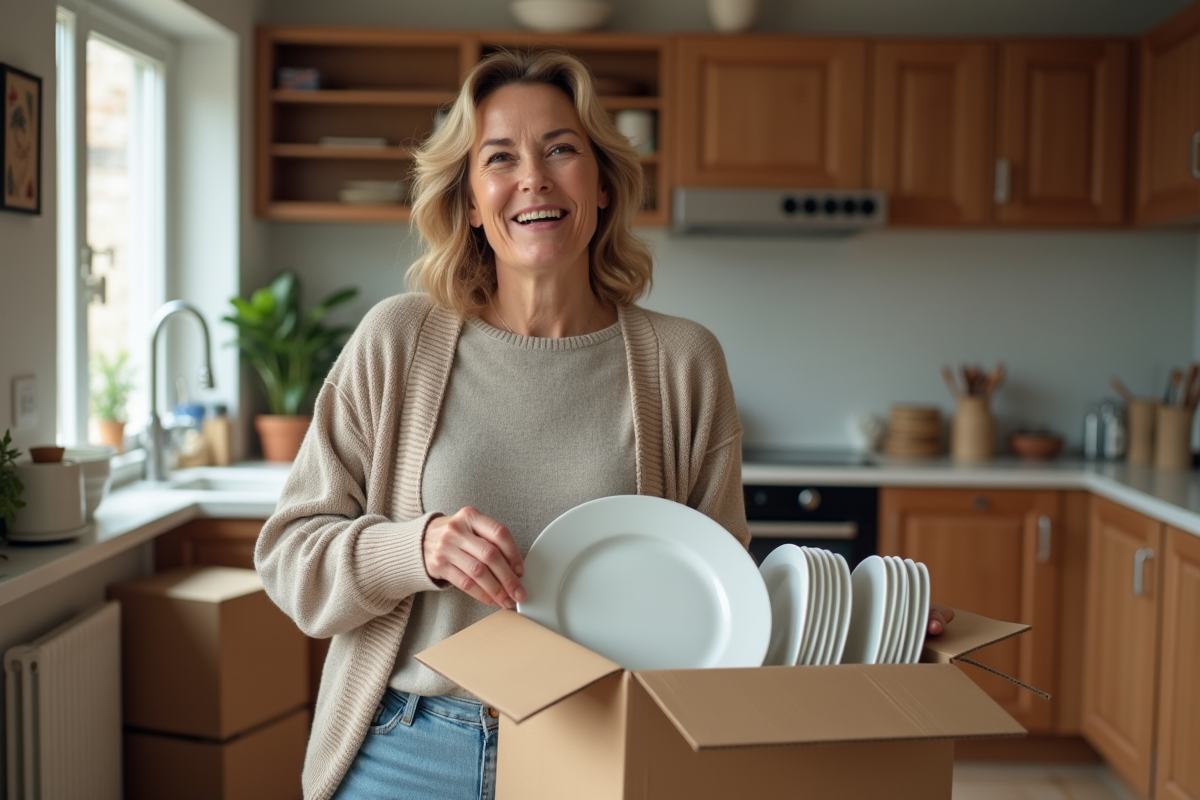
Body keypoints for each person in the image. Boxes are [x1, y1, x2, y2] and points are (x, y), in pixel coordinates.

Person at [255, 48, 953, 800]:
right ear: (468, 200)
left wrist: (870, 623)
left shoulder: (683, 361)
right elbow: (289, 559)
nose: (534, 178)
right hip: (411, 746)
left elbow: (723, 602)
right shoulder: (397, 340)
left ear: (604, 187)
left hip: (606, 749)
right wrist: (413, 547)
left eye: (561, 149)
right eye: (500, 157)